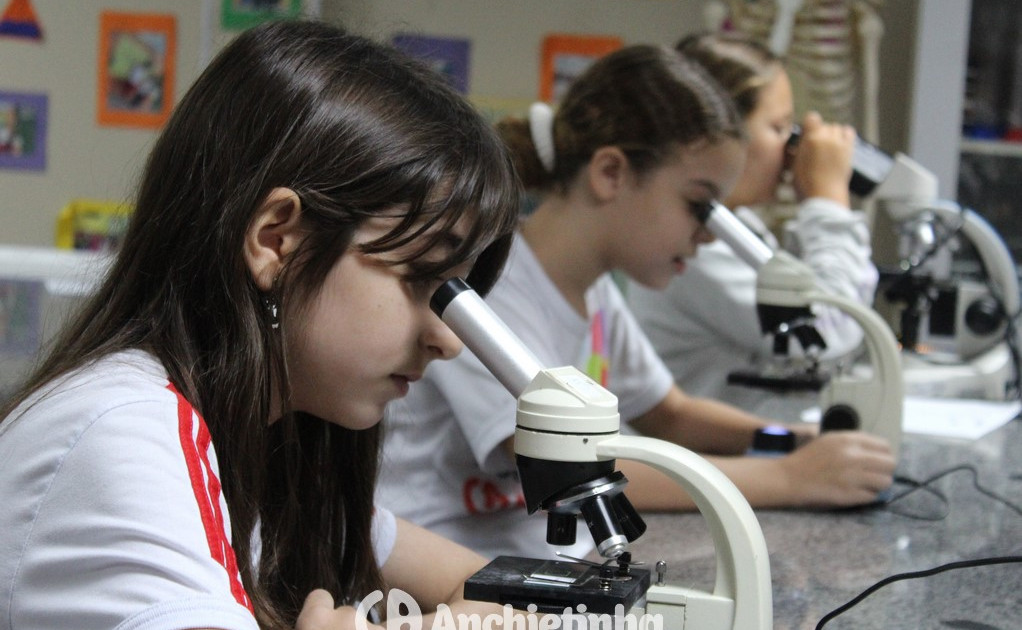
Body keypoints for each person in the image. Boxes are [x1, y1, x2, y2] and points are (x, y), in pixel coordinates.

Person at [0, 20, 522, 630]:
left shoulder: (268, 442)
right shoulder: (124, 431)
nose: (448, 339)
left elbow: (485, 587)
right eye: (419, 278)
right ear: (276, 239)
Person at [377, 44, 895, 562]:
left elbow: (671, 413)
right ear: (611, 173)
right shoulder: (494, 289)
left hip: (540, 560)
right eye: (699, 205)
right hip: (444, 574)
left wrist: (792, 439)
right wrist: (790, 477)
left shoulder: (594, 288)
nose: (709, 237)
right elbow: (578, 467)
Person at [627, 31, 880, 414]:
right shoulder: (697, 246)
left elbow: (806, 293)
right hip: (708, 459)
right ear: (721, 133)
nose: (792, 147)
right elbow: (825, 333)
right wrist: (828, 202)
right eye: (778, 128)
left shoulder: (732, 224)